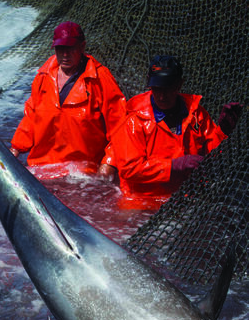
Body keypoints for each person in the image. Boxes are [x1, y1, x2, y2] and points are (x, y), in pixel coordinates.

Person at [99, 54, 243, 209]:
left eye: (168, 88)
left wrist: (222, 131)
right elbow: (130, 169)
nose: (161, 95)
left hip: (184, 200)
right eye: (157, 88)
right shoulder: (135, 119)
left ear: (179, 85)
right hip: (140, 203)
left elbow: (209, 157)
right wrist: (172, 166)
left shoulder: (197, 114)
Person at [9, 21, 126, 178]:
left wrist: (109, 164)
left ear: (82, 47)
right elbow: (31, 117)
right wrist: (15, 149)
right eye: (60, 49)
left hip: (83, 175)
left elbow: (120, 125)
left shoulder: (100, 78)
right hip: (43, 170)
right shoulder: (43, 77)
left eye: (70, 49)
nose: (65, 55)